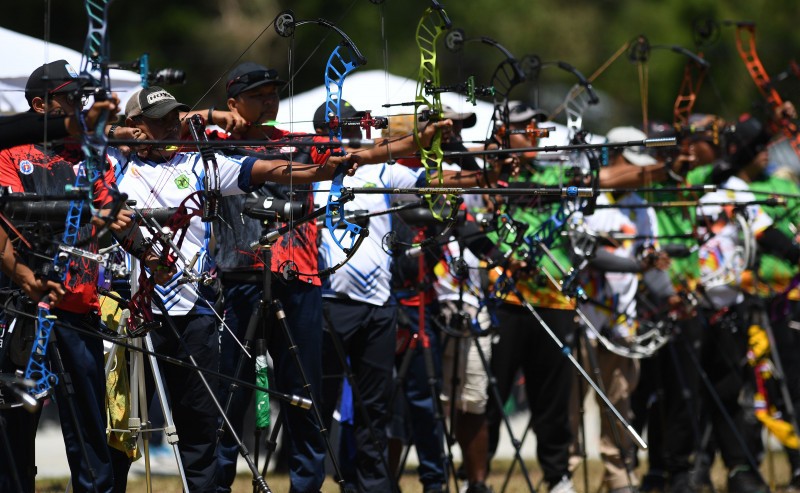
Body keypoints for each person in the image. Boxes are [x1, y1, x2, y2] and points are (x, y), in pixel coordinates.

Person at [110, 85, 350, 493]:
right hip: (133, 315)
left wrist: (326, 171)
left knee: (200, 432)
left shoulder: (202, 164)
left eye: (175, 118)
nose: (170, 126)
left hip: (194, 319)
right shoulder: (112, 163)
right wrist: (122, 136)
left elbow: (266, 170)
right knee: (118, 432)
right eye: (159, 121)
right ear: (135, 125)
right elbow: (77, 134)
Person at [0, 60, 160, 493]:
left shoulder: (90, 160)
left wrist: (148, 252)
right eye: (67, 98)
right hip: (21, 311)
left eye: (80, 98)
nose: (78, 105)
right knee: (14, 433)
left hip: (77, 312)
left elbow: (115, 212)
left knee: (90, 439)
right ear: (39, 104)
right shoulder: (11, 155)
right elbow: (12, 224)